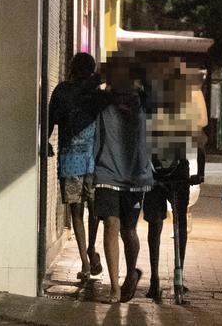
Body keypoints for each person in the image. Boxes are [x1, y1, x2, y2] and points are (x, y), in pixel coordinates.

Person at [142, 56, 207, 301]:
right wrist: (198, 173)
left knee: (156, 225)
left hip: (159, 173)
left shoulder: (154, 107)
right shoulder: (182, 107)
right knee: (175, 223)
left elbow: (144, 142)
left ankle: (157, 278)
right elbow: (200, 142)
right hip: (174, 173)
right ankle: (174, 276)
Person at [91, 54, 154, 303]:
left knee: (129, 230)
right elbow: (86, 91)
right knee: (111, 224)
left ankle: (130, 273)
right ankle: (114, 287)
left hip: (135, 176)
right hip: (106, 172)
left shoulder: (143, 101)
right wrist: (101, 77)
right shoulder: (101, 100)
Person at [48, 52, 102, 281]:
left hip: (70, 160)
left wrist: (46, 143)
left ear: (71, 69)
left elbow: (50, 120)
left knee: (76, 211)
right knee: (94, 210)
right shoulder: (95, 94)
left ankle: (86, 263)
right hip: (93, 161)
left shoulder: (61, 91)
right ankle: (90, 248)